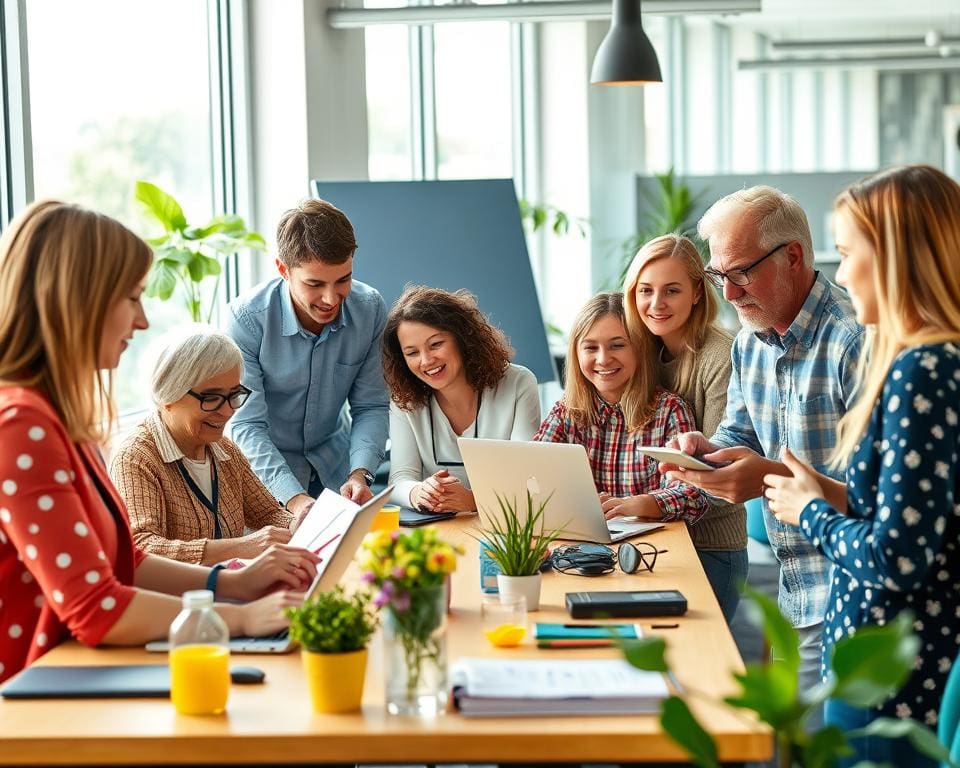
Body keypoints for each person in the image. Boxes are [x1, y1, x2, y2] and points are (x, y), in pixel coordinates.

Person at [0, 201, 319, 684]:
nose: (143, 320)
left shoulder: (62, 421)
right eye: (132, 298)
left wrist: (233, 583)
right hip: (42, 696)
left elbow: (125, 562)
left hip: (74, 676)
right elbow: (97, 606)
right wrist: (240, 618)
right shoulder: (22, 423)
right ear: (78, 301)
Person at [763, 165, 960, 766]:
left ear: (897, 257)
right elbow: (927, 520)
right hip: (894, 663)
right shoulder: (932, 363)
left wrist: (812, 512)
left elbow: (897, 559)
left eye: (849, 254)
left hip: (890, 674)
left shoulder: (922, 372)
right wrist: (835, 494)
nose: (841, 274)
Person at [662, 186, 865, 722]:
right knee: (790, 742)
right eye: (717, 276)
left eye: (741, 272)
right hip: (792, 591)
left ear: (793, 256)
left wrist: (768, 477)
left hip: (853, 595)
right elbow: (740, 435)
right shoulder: (750, 341)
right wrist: (706, 452)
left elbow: (879, 497)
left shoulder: (853, 343)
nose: (727, 293)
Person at [226, 198, 389, 519]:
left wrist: (360, 474)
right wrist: (295, 498)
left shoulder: (369, 309)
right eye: (315, 284)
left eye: (343, 280)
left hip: (337, 469)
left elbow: (371, 405)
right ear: (283, 270)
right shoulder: (247, 319)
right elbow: (247, 425)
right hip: (268, 477)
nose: (331, 298)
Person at [623, 234, 746, 623]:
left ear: (696, 292)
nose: (656, 304)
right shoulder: (636, 351)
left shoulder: (720, 357)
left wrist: (649, 504)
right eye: (646, 290)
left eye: (671, 291)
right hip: (645, 534)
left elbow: (719, 474)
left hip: (710, 545)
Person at [110, 329, 297, 564]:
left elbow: (269, 514)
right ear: (168, 396)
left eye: (234, 394)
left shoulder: (224, 450)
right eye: (211, 398)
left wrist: (297, 523)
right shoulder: (136, 458)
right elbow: (141, 547)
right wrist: (241, 547)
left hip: (232, 588)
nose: (228, 410)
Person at [534, 292, 707, 525]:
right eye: (591, 348)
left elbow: (693, 494)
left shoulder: (670, 411)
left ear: (639, 348)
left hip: (654, 546)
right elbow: (531, 470)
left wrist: (640, 504)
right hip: (583, 541)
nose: (603, 359)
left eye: (617, 345)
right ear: (576, 354)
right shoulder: (566, 412)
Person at [381, 286, 541, 513]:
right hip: (438, 528)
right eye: (412, 353)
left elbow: (528, 477)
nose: (426, 360)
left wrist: (475, 501)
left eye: (436, 344)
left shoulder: (518, 383)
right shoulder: (405, 401)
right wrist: (417, 492)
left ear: (462, 338)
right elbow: (399, 478)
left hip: (505, 527)